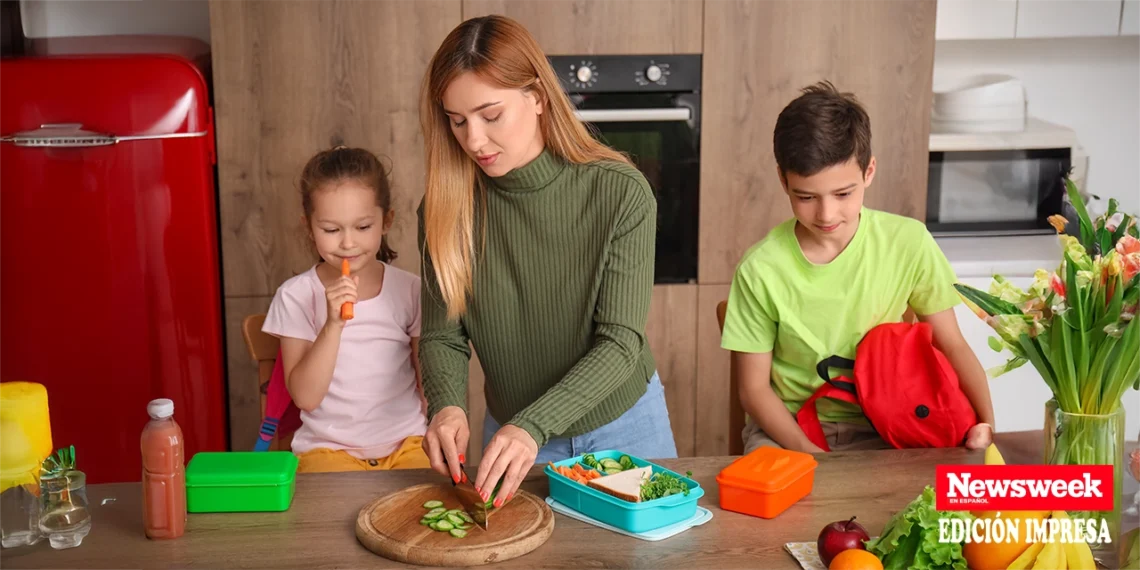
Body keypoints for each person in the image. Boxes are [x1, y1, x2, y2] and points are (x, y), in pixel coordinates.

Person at [417, 15, 677, 506]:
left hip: (626, 430)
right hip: (512, 442)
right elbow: (442, 335)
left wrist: (532, 424)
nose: (473, 140)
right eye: (457, 121)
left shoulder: (619, 192)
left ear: (537, 97)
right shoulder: (443, 209)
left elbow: (620, 341)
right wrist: (447, 405)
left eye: (490, 115)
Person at [720, 82, 995, 454]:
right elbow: (753, 391)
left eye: (843, 194)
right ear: (783, 180)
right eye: (805, 197)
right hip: (790, 430)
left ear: (869, 171)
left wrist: (985, 424)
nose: (827, 214)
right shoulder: (760, 269)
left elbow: (952, 344)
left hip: (892, 422)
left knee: (943, 502)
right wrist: (812, 456)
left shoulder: (909, 242)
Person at [262, 146, 429, 473]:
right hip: (327, 451)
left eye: (363, 227)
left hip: (407, 445)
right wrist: (333, 325)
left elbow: (430, 385)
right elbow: (306, 399)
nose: (348, 243)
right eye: (331, 230)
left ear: (386, 221)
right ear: (309, 228)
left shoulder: (410, 290)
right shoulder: (295, 296)